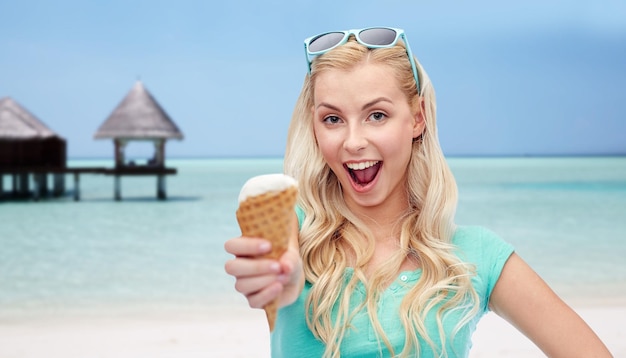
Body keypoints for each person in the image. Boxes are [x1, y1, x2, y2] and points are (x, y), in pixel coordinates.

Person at [224, 27, 612, 357]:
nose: (353, 141)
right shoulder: (294, 227)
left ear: (417, 118)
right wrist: (282, 276)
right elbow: (283, 270)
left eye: (377, 115)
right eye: (333, 119)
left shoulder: (477, 256)